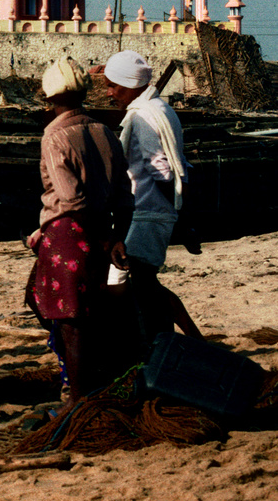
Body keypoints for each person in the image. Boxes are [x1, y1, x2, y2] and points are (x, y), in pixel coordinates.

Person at [25, 58, 134, 411]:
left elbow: (70, 198)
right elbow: (123, 195)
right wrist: (115, 237)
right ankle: (84, 381)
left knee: (68, 317)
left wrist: (48, 230)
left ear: (49, 97)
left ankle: (76, 396)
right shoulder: (105, 132)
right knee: (85, 311)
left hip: (69, 233)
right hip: (101, 228)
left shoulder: (54, 136)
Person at [100, 50, 203, 346]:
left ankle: (182, 344)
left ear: (131, 85)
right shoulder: (161, 108)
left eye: (114, 86)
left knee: (142, 286)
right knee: (144, 285)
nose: (109, 93)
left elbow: (162, 171)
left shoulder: (144, 117)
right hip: (153, 211)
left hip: (146, 213)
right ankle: (187, 341)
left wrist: (176, 216)